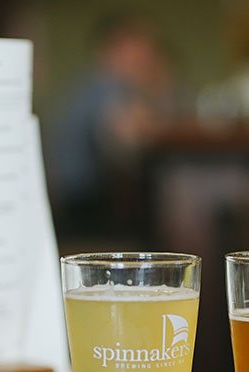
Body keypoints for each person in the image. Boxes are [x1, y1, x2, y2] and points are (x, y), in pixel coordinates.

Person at [48, 14, 174, 241]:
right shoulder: (103, 86)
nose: (147, 55)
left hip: (84, 205)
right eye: (138, 46)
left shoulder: (89, 85)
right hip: (87, 211)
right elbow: (127, 137)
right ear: (109, 51)